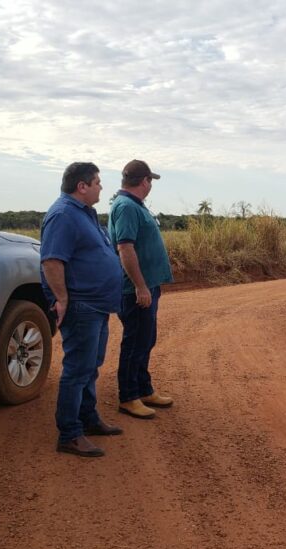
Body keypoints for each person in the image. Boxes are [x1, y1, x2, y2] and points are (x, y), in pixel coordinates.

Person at [40, 162, 124, 457]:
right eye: (98, 182)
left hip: (97, 305)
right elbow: (52, 261)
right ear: (82, 186)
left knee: (91, 367)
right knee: (77, 370)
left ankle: (88, 419)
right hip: (82, 306)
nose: (101, 187)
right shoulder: (63, 215)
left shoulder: (83, 213)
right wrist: (62, 299)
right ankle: (70, 434)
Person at [107, 160, 175, 419]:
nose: (150, 186)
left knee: (146, 339)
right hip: (135, 290)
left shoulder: (133, 205)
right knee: (135, 342)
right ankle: (128, 397)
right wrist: (140, 286)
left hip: (146, 287)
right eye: (150, 181)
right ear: (144, 181)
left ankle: (144, 389)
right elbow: (125, 248)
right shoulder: (125, 206)